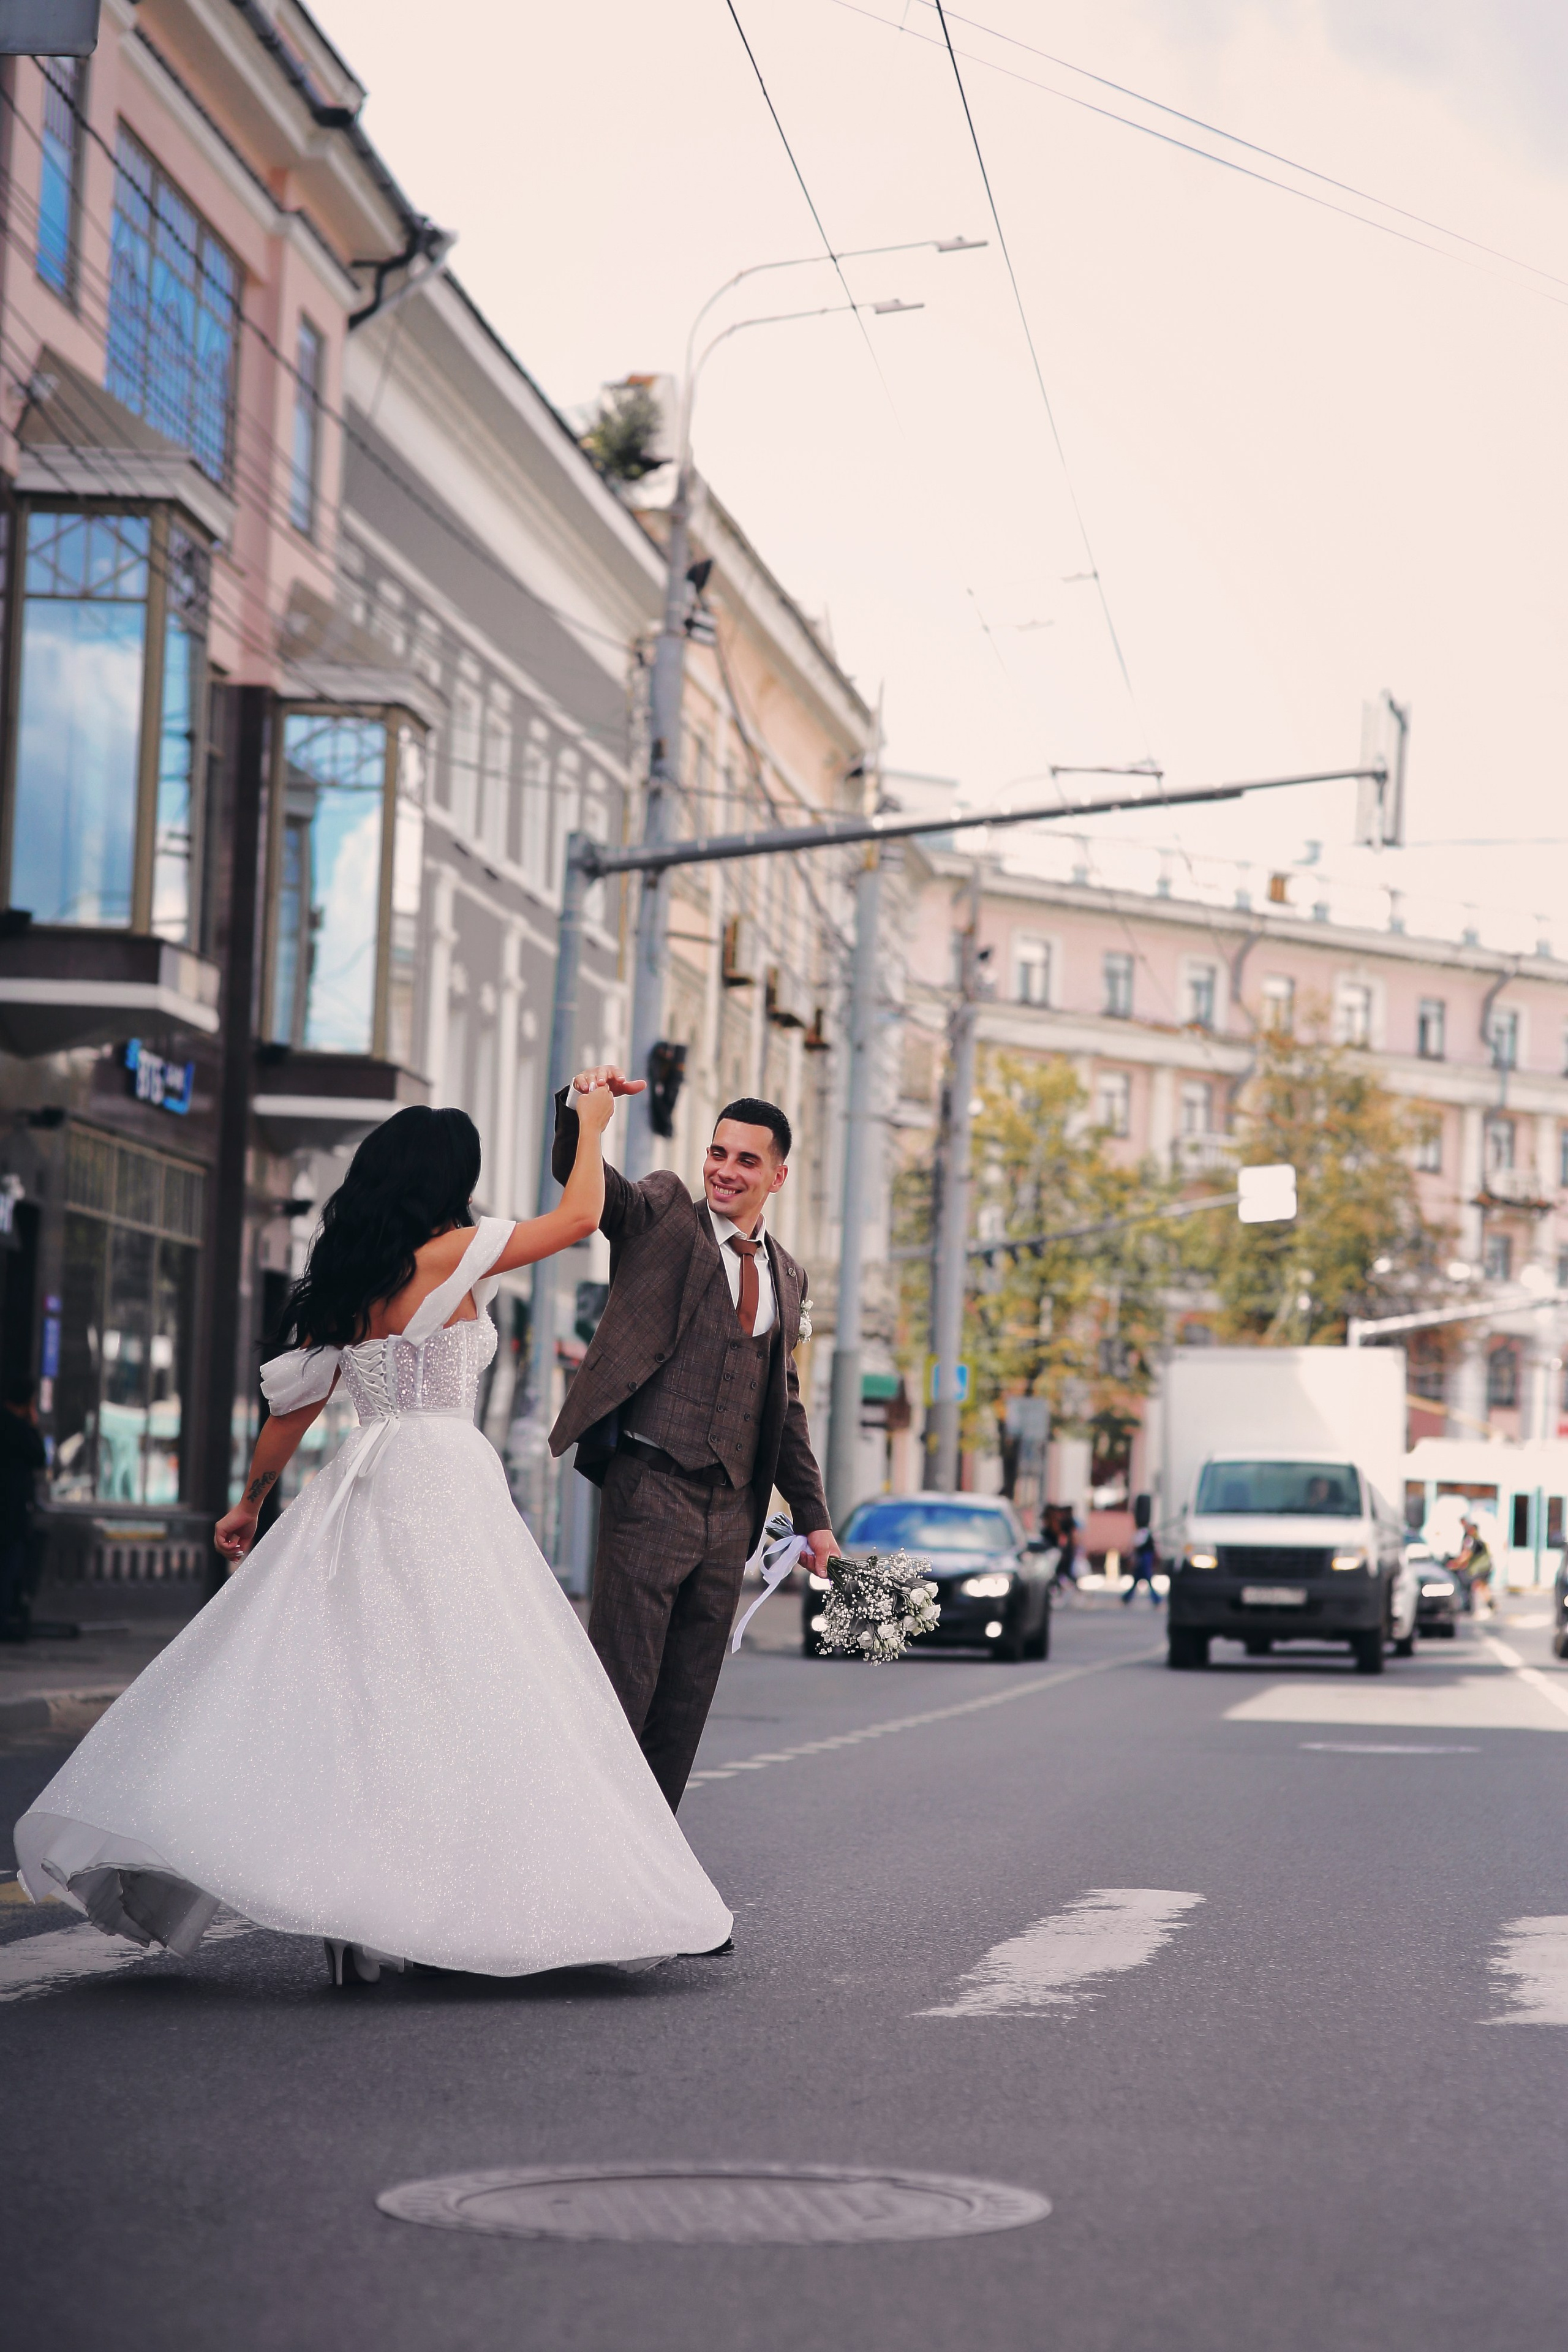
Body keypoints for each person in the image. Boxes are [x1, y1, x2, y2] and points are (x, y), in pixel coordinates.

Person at [13, 1095, 732, 1987]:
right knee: (467, 1695)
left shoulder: (354, 1278)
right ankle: (434, 1908)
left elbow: (295, 1408)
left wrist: (249, 1503)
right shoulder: (456, 1252)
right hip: (446, 1480)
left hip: (363, 1482)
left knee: (364, 1699)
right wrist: (589, 1123)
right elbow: (583, 1216)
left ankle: (357, 1927)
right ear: (449, 1182)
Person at [549, 1072, 833, 1816]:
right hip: (650, 1488)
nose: (724, 1170)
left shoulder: (788, 1275)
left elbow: (785, 1408)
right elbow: (594, 1190)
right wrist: (581, 1113)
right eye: (717, 1151)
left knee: (683, 1708)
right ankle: (585, 1861)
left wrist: (815, 1519)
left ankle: (655, 1881)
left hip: (729, 1515)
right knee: (622, 1688)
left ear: (776, 1176)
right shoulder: (667, 1211)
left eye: (745, 1160)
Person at [0, 1378, 47, 1643]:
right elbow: (39, 1456)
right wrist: (33, 1423)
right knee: (9, 1569)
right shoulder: (19, 1429)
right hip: (12, 1515)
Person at [1458, 1516, 1493, 1619]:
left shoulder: (1473, 1540)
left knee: (1475, 1585)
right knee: (1482, 1586)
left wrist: (1457, 1563)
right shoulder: (1475, 1539)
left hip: (1481, 1568)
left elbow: (1468, 1554)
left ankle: (1473, 1608)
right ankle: (1491, 1604)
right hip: (1482, 1567)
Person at [1122, 1525, 1161, 1606]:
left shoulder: (1142, 1533)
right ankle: (1156, 1599)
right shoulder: (1147, 1533)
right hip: (1145, 1559)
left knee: (1141, 1579)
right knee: (1145, 1580)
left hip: (1143, 1559)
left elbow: (1136, 1546)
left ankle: (1127, 1597)